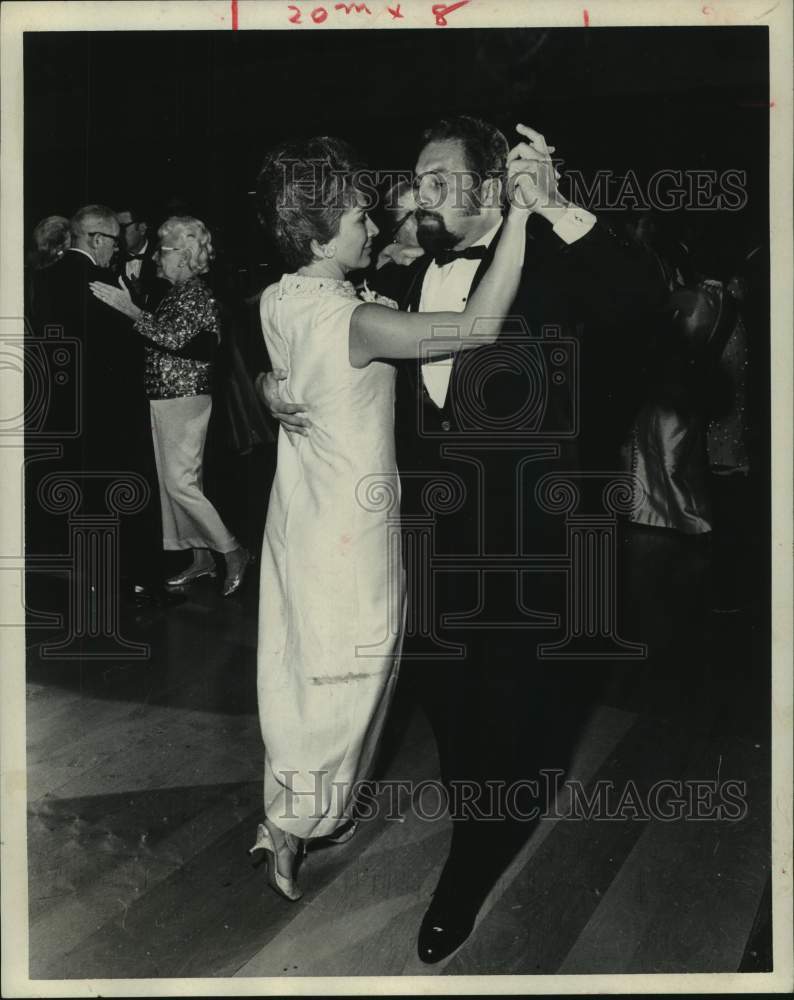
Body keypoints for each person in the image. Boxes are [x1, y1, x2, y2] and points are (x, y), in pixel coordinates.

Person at [262, 116, 666, 960]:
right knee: (452, 704)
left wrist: (557, 205)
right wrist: (274, 385)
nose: (419, 192)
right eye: (416, 178)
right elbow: (305, 327)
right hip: (427, 545)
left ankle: (470, 866)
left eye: (441, 177)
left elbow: (646, 305)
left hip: (533, 544)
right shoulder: (397, 279)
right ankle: (472, 822)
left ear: (491, 187)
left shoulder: (553, 262)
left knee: (515, 711)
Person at [247, 130, 538, 903]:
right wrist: (515, 217)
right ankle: (292, 822)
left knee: (300, 663)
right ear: (318, 232)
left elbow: (276, 373)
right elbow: (476, 329)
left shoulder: (281, 298)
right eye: (356, 221)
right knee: (352, 676)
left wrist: (273, 393)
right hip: (352, 524)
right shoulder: (357, 321)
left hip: (297, 510)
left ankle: (304, 810)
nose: (373, 227)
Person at [89, 216, 251, 597]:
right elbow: (168, 335)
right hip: (166, 396)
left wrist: (132, 312)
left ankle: (233, 550)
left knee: (181, 483)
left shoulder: (197, 293)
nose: (156, 259)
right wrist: (138, 307)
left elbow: (191, 344)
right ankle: (201, 558)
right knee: (171, 483)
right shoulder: (178, 293)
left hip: (185, 398)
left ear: (183, 256)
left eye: (162, 251)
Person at [32, 204, 176, 607]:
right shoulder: (104, 283)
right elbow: (131, 351)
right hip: (114, 411)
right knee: (123, 496)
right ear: (96, 239)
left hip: (61, 411)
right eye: (113, 240)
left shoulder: (39, 279)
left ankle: (80, 584)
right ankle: (134, 585)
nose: (118, 249)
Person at [114, 204, 167, 309]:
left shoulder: (163, 258)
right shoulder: (111, 259)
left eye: (123, 227)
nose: (118, 234)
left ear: (142, 228)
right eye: (116, 229)